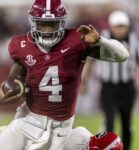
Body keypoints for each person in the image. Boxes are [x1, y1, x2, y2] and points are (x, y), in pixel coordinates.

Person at [0, 0, 129, 149]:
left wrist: (100, 41)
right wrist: (8, 93)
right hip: (29, 122)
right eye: (42, 24)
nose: (47, 30)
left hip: (63, 129)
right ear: (33, 22)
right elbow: (10, 86)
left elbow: (123, 55)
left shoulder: (77, 40)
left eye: (52, 24)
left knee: (111, 144)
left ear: (61, 23)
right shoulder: (20, 45)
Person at [81, 10, 139, 150]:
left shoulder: (134, 39)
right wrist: (84, 81)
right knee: (109, 122)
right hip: (108, 87)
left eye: (122, 26)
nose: (120, 29)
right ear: (111, 26)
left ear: (127, 26)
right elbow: (91, 62)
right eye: (117, 26)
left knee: (126, 123)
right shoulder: (103, 38)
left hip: (127, 87)